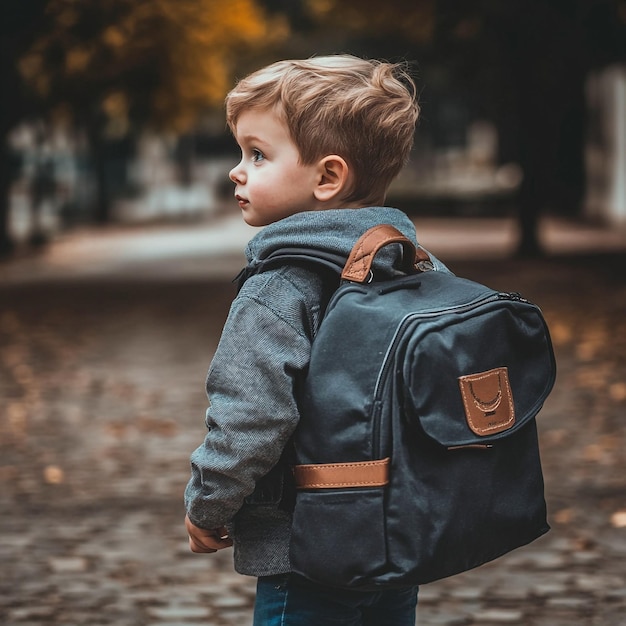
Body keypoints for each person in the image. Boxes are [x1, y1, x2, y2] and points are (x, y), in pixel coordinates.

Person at [184, 54, 445, 625]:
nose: (238, 170)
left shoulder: (277, 288)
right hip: (396, 540)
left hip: (304, 554)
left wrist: (209, 504)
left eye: (257, 153)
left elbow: (249, 415)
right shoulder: (416, 268)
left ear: (328, 177)